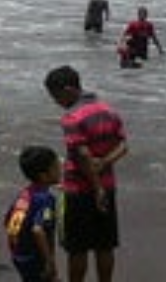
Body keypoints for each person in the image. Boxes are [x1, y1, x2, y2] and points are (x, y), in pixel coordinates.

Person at [43, 65, 127, 282]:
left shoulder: (72, 118)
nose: (56, 102)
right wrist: (105, 163)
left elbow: (82, 155)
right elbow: (123, 146)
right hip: (108, 186)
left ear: (69, 89)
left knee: (77, 249)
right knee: (104, 245)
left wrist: (96, 186)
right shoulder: (109, 111)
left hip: (79, 190)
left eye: (56, 96)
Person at [4, 146, 61, 282]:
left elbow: (8, 220)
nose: (60, 171)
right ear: (43, 175)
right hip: (35, 258)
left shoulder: (25, 195)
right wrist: (49, 261)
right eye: (56, 168)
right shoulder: (46, 199)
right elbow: (38, 230)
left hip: (19, 255)